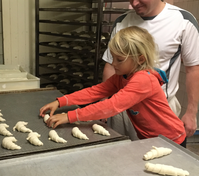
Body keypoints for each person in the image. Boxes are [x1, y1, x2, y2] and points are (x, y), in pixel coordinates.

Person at [40, 26, 186, 146]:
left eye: (119, 59)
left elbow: (111, 106)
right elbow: (95, 91)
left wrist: (70, 116)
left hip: (171, 139)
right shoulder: (122, 77)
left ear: (140, 58)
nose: (113, 64)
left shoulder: (143, 80)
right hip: (150, 139)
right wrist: (61, 101)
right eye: (113, 57)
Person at [102, 0, 199, 141]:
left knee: (155, 158)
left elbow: (193, 69)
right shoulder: (122, 21)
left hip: (158, 110)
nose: (134, 3)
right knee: (117, 156)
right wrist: (105, 103)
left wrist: (191, 112)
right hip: (121, 108)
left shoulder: (183, 21)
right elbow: (111, 66)